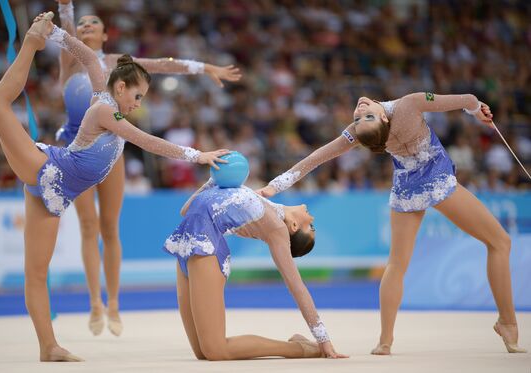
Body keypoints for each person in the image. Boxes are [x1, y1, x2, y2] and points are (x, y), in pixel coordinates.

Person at [0, 12, 228, 362]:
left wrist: (60, 34)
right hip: (46, 169)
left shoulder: (105, 83)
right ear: (121, 87)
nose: (138, 104)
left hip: (55, 197)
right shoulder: (105, 111)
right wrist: (197, 154)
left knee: (37, 273)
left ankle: (48, 347)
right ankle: (29, 44)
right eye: (138, 96)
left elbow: (87, 55)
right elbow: (146, 141)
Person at [258, 92, 527, 355]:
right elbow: (466, 99)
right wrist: (476, 108)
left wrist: (274, 186)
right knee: (500, 242)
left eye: (363, 116)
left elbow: (316, 158)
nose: (360, 110)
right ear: (384, 122)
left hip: (407, 190)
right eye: (363, 116)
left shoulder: (358, 130)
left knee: (397, 265)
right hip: (436, 182)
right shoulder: (409, 104)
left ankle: (385, 341)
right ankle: (507, 322)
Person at [55, 0, 241, 337]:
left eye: (93, 22)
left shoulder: (116, 66)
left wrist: (205, 67)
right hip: (76, 148)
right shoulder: (71, 60)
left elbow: (163, 65)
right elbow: (68, 35)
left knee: (110, 227)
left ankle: (113, 302)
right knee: (87, 225)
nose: (85, 26)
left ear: (106, 33)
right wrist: (64, 8)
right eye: (80, 24)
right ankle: (95, 300)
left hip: (111, 150)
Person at [163, 178, 346, 360]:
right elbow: (185, 210)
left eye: (311, 226)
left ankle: (300, 349)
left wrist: (323, 339)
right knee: (202, 352)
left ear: (294, 226)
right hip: (186, 244)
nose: (312, 217)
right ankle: (302, 346)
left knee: (215, 351)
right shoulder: (261, 199)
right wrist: (212, 181)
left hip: (206, 248)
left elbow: (297, 287)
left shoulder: (277, 229)